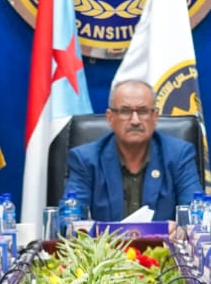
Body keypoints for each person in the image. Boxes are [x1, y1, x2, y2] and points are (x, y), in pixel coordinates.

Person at [62, 79, 203, 221]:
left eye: (143, 111)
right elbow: (68, 219)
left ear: (154, 117)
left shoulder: (178, 155)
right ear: (110, 117)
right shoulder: (86, 159)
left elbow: (196, 214)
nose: (135, 121)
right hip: (105, 237)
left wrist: (179, 229)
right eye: (125, 111)